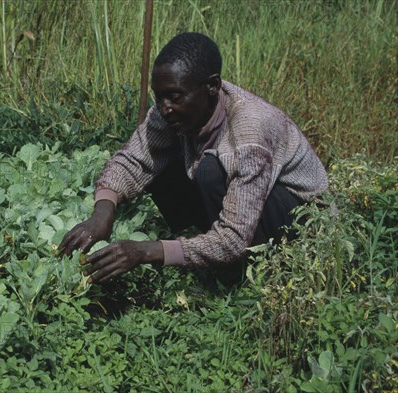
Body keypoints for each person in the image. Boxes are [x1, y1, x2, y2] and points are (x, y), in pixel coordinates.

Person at [58, 32, 328, 284]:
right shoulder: (176, 111)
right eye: (159, 97)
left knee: (209, 171)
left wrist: (147, 251)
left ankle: (248, 275)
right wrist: (102, 213)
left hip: (302, 220)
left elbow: (234, 238)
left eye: (174, 97)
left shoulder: (250, 132)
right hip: (244, 207)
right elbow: (132, 161)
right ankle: (199, 247)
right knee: (160, 164)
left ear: (212, 86)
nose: (165, 109)